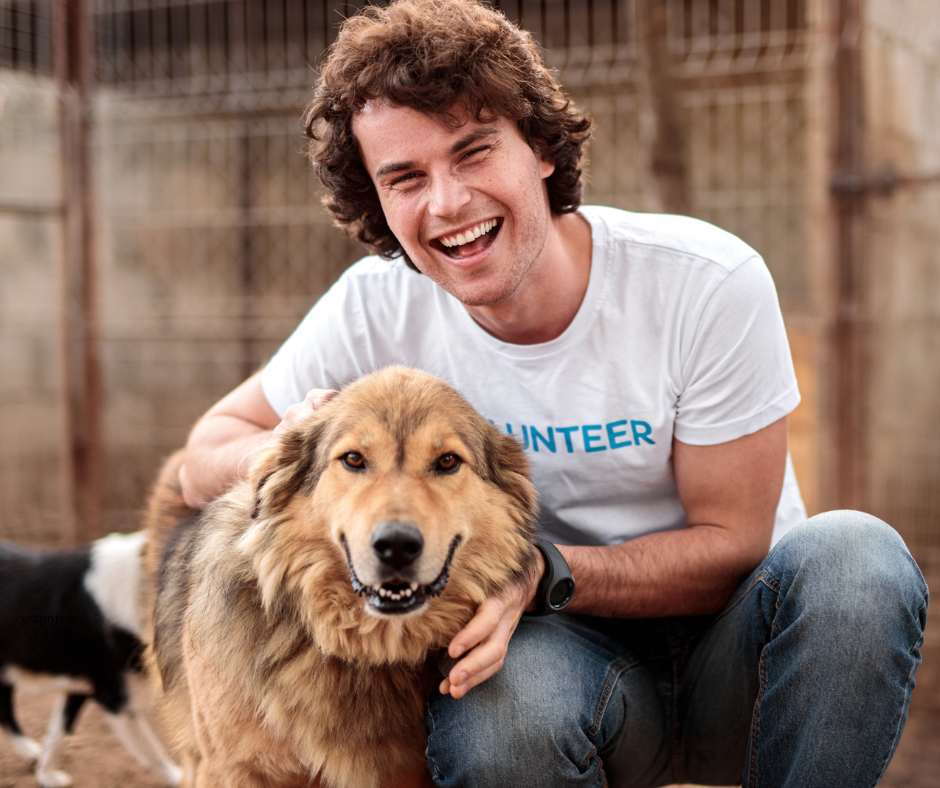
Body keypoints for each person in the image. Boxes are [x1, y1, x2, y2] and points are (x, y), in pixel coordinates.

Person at [176, 1, 928, 786]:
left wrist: (545, 571)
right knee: (500, 711)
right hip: (558, 657)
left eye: (473, 152)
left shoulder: (706, 282)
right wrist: (290, 447)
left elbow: (731, 544)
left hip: (739, 660)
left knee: (858, 562)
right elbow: (204, 456)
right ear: (377, 199)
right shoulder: (376, 307)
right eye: (405, 178)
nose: (447, 203)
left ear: (538, 146)